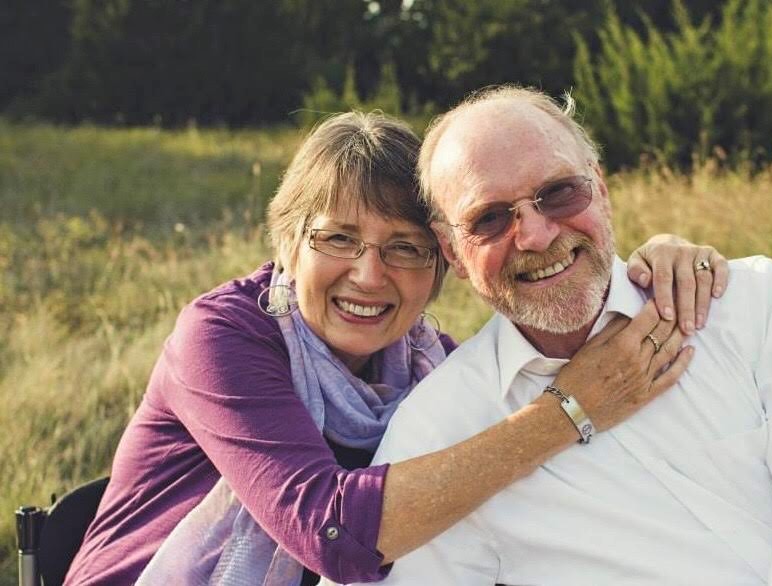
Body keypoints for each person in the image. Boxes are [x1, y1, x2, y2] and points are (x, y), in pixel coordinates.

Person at [64, 111, 728, 585]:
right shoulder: (223, 336)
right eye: (338, 239)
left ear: (444, 265)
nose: (369, 275)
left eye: (404, 248)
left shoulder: (433, 366)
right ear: (287, 244)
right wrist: (569, 410)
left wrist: (656, 269)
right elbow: (331, 532)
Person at [357, 87, 772, 585]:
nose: (536, 236)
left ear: (600, 189)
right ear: (451, 250)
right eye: (490, 219)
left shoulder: (751, 304)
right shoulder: (439, 428)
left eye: (559, 193)